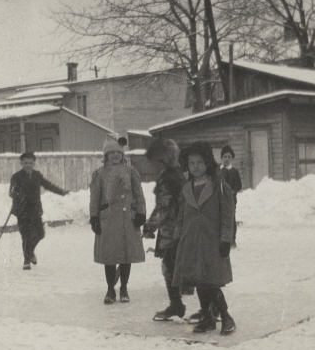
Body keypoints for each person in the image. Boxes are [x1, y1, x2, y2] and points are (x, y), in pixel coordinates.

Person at [173, 141, 237, 335]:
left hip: (212, 242)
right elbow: (181, 216)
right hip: (191, 241)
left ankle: (226, 317)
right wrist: (177, 238)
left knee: (211, 282)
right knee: (198, 281)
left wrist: (226, 238)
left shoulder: (219, 185)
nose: (196, 167)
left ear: (208, 163)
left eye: (200, 162)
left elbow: (228, 215)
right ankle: (208, 318)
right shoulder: (187, 187)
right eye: (192, 163)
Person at [90, 135, 146, 304]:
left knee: (126, 256)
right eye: (111, 152)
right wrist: (94, 217)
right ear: (106, 155)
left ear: (123, 154)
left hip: (128, 219)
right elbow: (94, 198)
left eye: (118, 152)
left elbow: (139, 194)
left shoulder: (130, 172)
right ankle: (110, 289)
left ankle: (123, 288)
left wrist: (141, 213)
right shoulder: (99, 174)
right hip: (108, 220)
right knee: (110, 256)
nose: (115, 155)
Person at [142, 138, 188, 321]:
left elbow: (164, 207)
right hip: (179, 228)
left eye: (152, 162)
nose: (150, 167)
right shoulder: (176, 174)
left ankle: (179, 305)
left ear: (162, 160)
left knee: (172, 267)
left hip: (174, 231)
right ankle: (178, 304)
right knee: (173, 266)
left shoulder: (168, 179)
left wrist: (149, 226)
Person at [9, 152, 69, 270]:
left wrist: (61, 192)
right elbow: (11, 192)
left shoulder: (37, 175)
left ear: (34, 164)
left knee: (40, 234)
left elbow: (48, 185)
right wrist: (20, 196)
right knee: (26, 236)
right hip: (22, 211)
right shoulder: (16, 177)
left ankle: (30, 251)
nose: (28, 165)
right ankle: (27, 260)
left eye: (30, 163)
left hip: (35, 210)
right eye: (25, 163)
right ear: (21, 163)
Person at [219, 145, 242, 248]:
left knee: (230, 219)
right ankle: (220, 239)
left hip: (230, 200)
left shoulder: (234, 171)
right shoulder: (217, 170)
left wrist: (232, 192)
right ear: (221, 158)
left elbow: (238, 185)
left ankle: (232, 241)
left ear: (232, 158)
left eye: (229, 157)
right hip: (218, 198)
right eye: (225, 156)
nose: (227, 159)